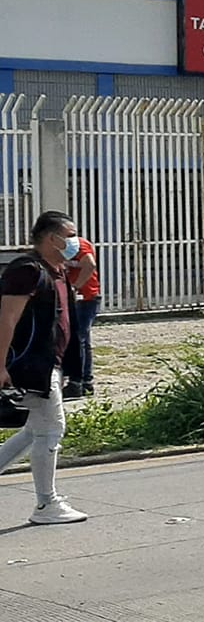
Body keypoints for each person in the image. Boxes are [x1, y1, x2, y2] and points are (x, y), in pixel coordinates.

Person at [0, 211, 89, 524]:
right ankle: (46, 505)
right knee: (51, 430)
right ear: (53, 238)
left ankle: (46, 503)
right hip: (31, 364)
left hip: (50, 362)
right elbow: (6, 319)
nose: (75, 240)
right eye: (70, 234)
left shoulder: (57, 270)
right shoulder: (27, 270)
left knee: (32, 431)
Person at [59, 233, 99, 399]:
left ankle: (77, 382)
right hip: (82, 297)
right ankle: (85, 381)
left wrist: (75, 287)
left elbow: (89, 264)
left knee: (78, 339)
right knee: (83, 340)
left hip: (85, 297)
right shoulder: (61, 248)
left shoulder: (78, 246)